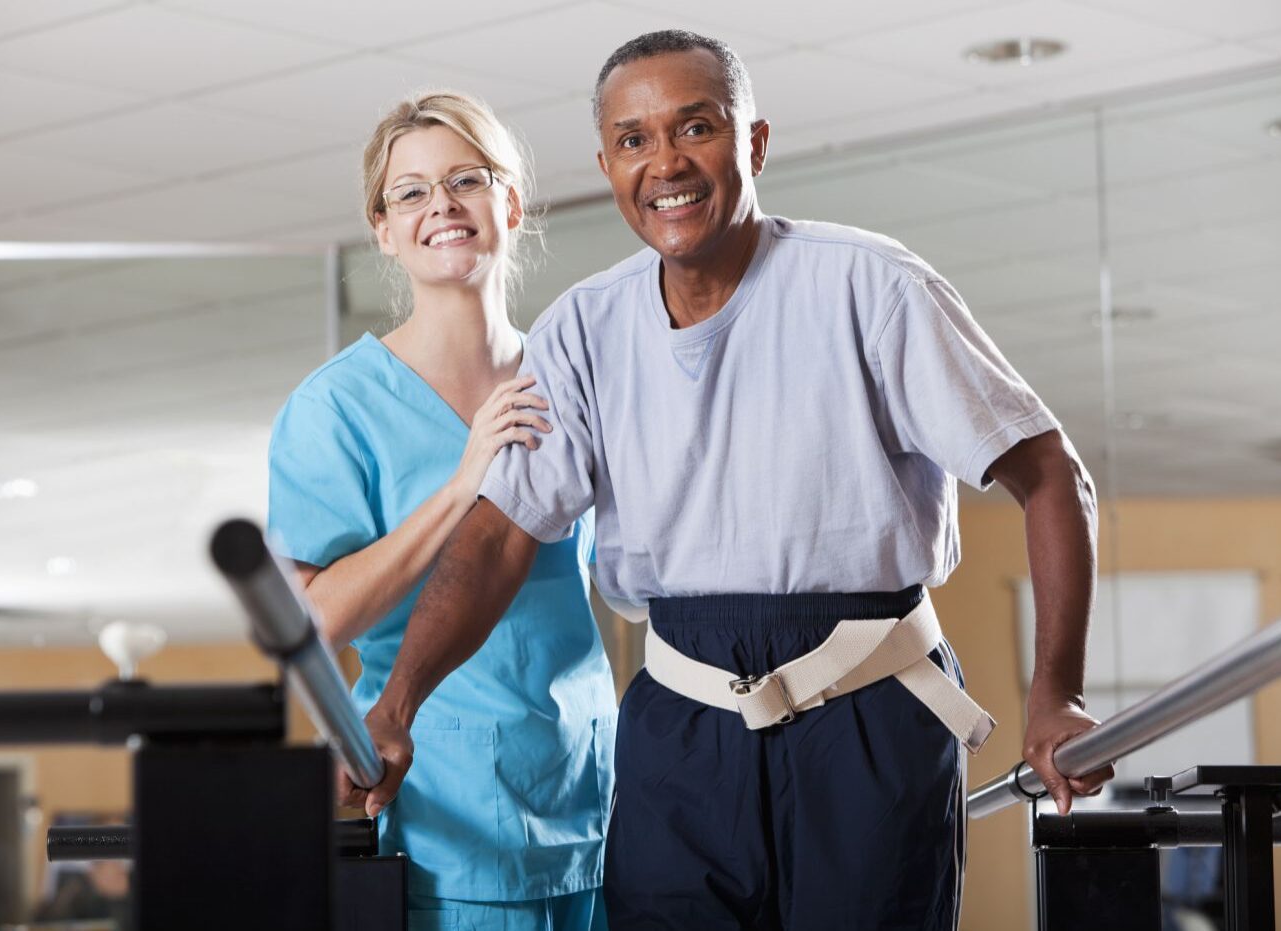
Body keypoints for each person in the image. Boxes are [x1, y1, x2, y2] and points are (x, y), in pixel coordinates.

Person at [350, 32, 1114, 931]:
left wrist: (1054, 691)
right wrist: (395, 706)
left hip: (866, 708)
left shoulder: (870, 286)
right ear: (607, 165)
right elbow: (500, 533)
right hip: (682, 726)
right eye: (633, 140)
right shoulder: (584, 329)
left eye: (695, 128)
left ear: (751, 142)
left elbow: (1050, 473)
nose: (664, 162)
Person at [267, 91, 616, 931]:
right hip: (446, 820)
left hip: (596, 806)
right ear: (382, 229)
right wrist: (464, 484)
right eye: (411, 192)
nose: (442, 206)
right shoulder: (336, 408)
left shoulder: (570, 380)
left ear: (512, 204)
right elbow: (315, 621)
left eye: (467, 178)